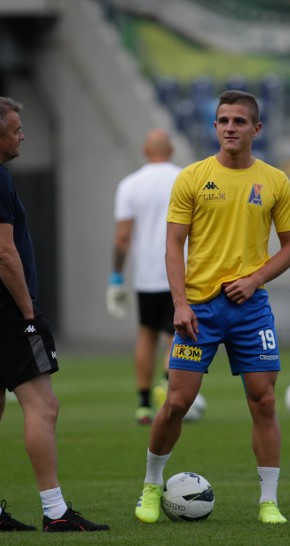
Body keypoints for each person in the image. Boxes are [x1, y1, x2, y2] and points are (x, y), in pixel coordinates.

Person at [0, 96, 109, 533]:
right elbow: (2, 250)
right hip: (7, 317)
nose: (22, 136)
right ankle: (55, 511)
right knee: (43, 406)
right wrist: (28, 311)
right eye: (16, 130)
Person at [133, 90, 290, 525]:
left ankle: (268, 502)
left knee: (263, 402)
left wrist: (255, 279)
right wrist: (180, 304)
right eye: (223, 120)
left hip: (251, 310)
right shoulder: (191, 177)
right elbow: (173, 245)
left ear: (256, 129)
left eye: (240, 121)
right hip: (200, 311)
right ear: (214, 127)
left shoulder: (276, 181)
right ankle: (151, 487)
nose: (230, 127)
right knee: (176, 402)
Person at [107, 129, 181, 425]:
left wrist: (116, 275)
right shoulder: (185, 177)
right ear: (172, 150)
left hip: (146, 273)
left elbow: (123, 236)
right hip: (180, 270)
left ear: (144, 150)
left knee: (147, 334)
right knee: (176, 333)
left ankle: (142, 403)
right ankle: (166, 382)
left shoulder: (129, 185)